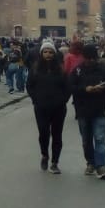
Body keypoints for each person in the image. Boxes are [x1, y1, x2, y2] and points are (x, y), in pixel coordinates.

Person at [69, 43, 105, 180]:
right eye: (88, 58)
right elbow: (71, 87)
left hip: (99, 109)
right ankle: (90, 162)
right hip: (83, 109)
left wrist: (103, 90)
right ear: (84, 57)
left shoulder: (103, 70)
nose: (90, 60)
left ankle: (101, 166)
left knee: (99, 138)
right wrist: (85, 89)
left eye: (92, 58)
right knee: (86, 140)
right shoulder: (78, 70)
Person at [26, 40, 69, 173]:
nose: (48, 54)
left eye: (50, 52)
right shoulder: (35, 69)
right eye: (45, 52)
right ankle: (44, 154)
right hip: (41, 107)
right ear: (41, 53)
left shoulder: (61, 70)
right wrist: (35, 99)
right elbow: (29, 86)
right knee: (43, 133)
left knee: (57, 135)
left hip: (58, 108)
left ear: (54, 54)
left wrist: (63, 100)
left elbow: (67, 87)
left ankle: (55, 162)